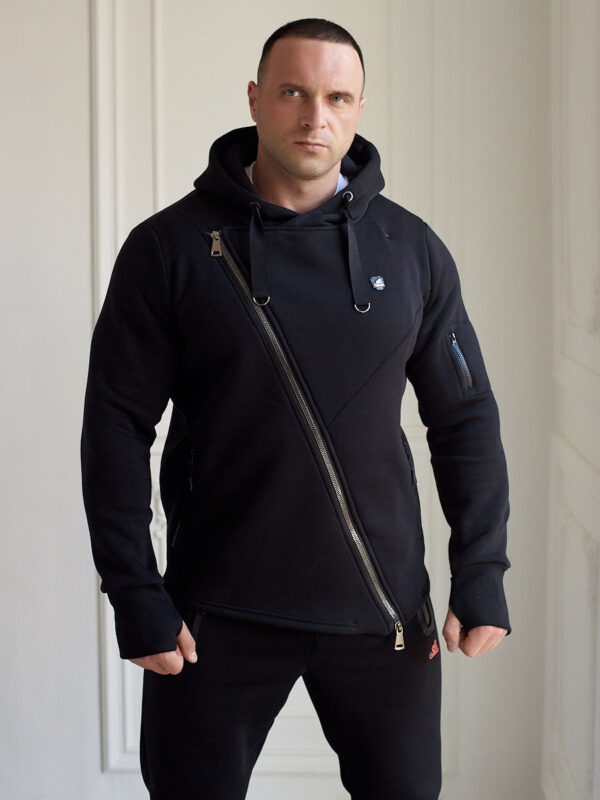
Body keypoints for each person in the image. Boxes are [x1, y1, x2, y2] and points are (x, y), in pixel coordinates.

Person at [81, 17, 510, 800]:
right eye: (293, 93)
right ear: (255, 99)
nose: (316, 117)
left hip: (382, 613)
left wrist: (480, 570)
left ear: (359, 108)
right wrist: (133, 589)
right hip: (213, 616)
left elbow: (465, 418)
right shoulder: (170, 248)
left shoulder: (412, 251)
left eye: (337, 98)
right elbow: (115, 425)